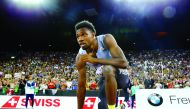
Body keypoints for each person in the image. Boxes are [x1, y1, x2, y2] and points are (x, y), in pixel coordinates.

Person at [75, 20, 131, 109]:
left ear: (93, 35)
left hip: (121, 77)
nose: (80, 39)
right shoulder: (80, 56)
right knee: (102, 106)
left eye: (84, 35)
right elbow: (81, 86)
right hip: (106, 80)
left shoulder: (106, 39)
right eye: (77, 36)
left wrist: (95, 60)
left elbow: (124, 63)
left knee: (107, 69)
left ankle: (112, 108)